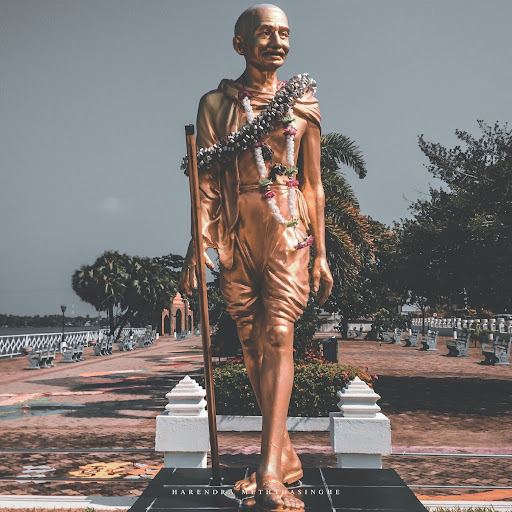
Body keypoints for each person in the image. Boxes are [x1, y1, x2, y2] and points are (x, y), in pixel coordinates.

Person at [180, 4, 333, 510]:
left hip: (287, 228)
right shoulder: (215, 104)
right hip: (236, 228)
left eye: (284, 34)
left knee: (279, 335)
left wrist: (322, 255)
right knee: (249, 341)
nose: (277, 42)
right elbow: (204, 183)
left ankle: (270, 475)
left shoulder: (303, 104)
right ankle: (284, 457)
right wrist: (197, 245)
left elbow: (314, 184)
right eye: (265, 33)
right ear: (240, 43)